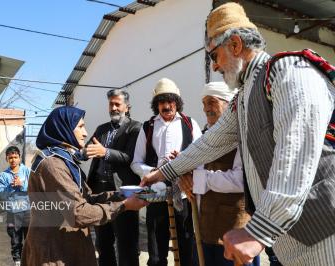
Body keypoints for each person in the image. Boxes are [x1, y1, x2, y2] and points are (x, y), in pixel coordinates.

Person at [140, 2, 335, 266]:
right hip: (291, 237)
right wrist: (164, 172)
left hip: (324, 229)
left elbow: (295, 155)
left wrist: (258, 231)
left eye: (214, 56)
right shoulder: (243, 97)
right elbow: (210, 143)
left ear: (234, 45)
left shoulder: (289, 70)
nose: (215, 66)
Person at [21, 106, 148, 266]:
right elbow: (78, 213)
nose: (86, 133)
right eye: (80, 127)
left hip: (66, 244)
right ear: (64, 128)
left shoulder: (63, 158)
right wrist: (122, 206)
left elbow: (84, 198)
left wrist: (120, 195)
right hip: (54, 251)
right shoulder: (53, 164)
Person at [178, 82, 259, 266]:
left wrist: (198, 179)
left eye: (211, 102)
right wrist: (184, 179)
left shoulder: (242, 136)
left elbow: (242, 179)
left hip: (233, 233)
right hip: (204, 230)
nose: (206, 108)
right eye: (204, 103)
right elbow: (193, 168)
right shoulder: (204, 136)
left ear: (229, 104)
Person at [131, 78, 202, 266]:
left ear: (177, 102)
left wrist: (185, 162)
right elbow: (135, 162)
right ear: (156, 105)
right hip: (156, 194)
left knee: (187, 246)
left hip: (184, 194)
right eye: (162, 102)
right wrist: (154, 171)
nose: (167, 106)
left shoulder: (190, 124)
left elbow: (202, 157)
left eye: (170, 101)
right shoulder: (147, 127)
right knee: (155, 253)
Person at [85, 89, 142, 266]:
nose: (114, 107)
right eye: (111, 104)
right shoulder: (101, 129)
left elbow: (130, 157)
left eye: (118, 104)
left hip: (122, 191)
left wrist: (105, 152)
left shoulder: (135, 128)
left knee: (126, 241)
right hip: (99, 191)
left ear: (127, 106)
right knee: (103, 241)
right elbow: (87, 150)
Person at [0, 146, 30, 266]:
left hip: (27, 210)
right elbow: (1, 193)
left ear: (20, 158)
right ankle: (17, 260)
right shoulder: (3, 175)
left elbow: (33, 188)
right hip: (13, 211)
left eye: (15, 157)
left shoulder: (27, 171)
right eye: (10, 157)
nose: (13, 160)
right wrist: (10, 187)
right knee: (15, 238)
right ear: (7, 158)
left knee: (29, 237)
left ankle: (29, 258)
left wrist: (21, 185)